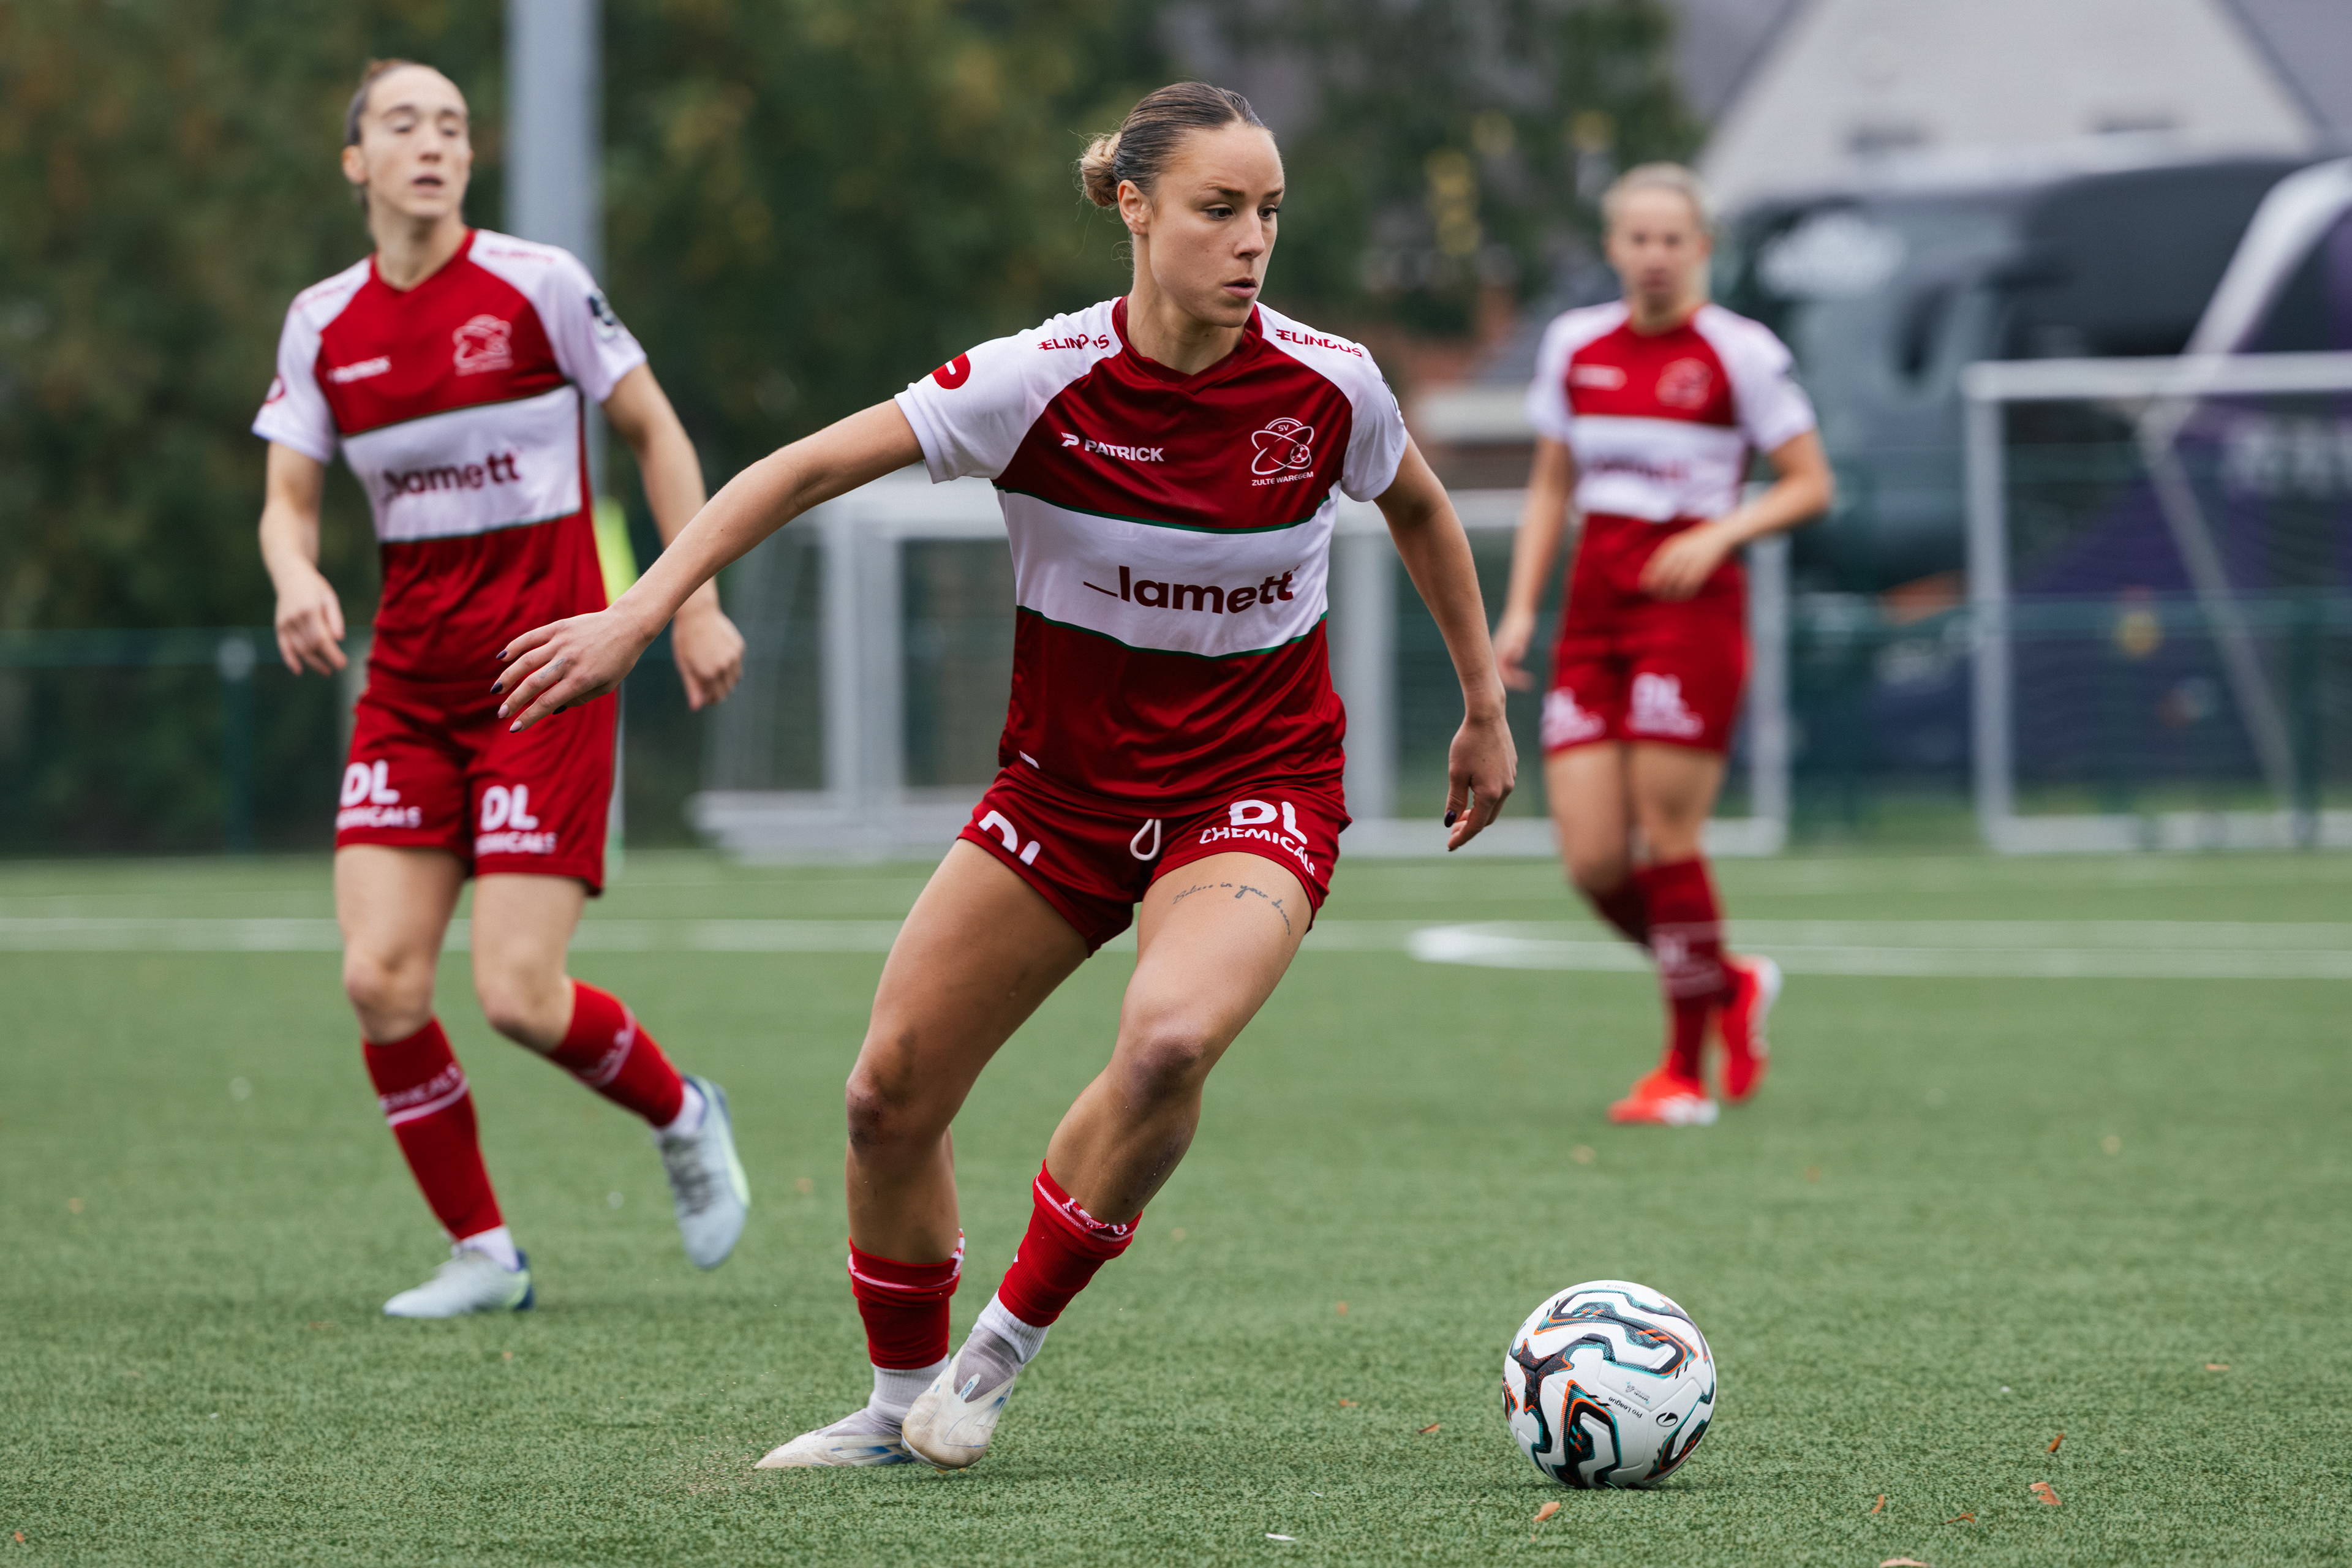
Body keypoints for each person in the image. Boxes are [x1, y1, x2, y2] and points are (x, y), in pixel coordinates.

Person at [491, 81, 1517, 1468]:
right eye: (1221, 208)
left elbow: (1419, 506)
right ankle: (892, 1405)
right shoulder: (1037, 380)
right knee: (886, 1093)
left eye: (1270, 210)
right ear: (1133, 207)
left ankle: (996, 1350)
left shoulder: (1331, 386)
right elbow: (798, 470)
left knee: (1166, 1043)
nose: (1253, 239)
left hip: (1255, 790)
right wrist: (643, 607)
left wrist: (1483, 705)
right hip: (1059, 799)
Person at [253, 60, 753, 1317]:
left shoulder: (539, 287)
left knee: (518, 994)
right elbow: (288, 502)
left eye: (454, 127)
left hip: (547, 677)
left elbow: (657, 431)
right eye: (403, 126)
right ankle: (485, 1250)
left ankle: (684, 1112)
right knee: (379, 978)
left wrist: (687, 604)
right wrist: (294, 577)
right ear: (356, 162)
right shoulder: (324, 324)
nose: (433, 144)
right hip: (409, 689)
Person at [1491, 164, 1832, 1128]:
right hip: (1595, 621)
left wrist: (1719, 533)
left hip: (1690, 618)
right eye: (1636, 238)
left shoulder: (1741, 353)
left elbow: (1810, 482)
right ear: (1613, 248)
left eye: (1671, 239)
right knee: (1595, 861)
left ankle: (1683, 1072)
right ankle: (1730, 980)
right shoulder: (1575, 346)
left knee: (1667, 835)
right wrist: (1520, 609)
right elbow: (1553, 485)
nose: (1653, 255)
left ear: (1702, 248)